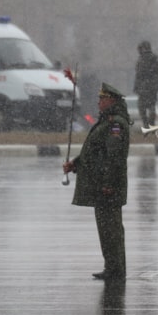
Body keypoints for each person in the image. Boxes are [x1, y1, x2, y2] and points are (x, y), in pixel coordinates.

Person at [62, 82, 131, 281]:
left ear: (112, 100)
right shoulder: (106, 121)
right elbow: (94, 152)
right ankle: (111, 266)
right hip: (101, 185)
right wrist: (75, 164)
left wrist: (109, 183)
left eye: (102, 98)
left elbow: (114, 156)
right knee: (106, 229)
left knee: (112, 230)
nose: (99, 102)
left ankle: (116, 269)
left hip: (108, 186)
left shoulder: (115, 124)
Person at [133, 40, 158, 129]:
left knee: (142, 107)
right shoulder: (155, 58)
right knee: (151, 106)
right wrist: (154, 84)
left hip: (143, 88)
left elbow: (138, 75)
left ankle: (147, 124)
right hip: (151, 87)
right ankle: (151, 123)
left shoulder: (141, 59)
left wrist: (137, 87)